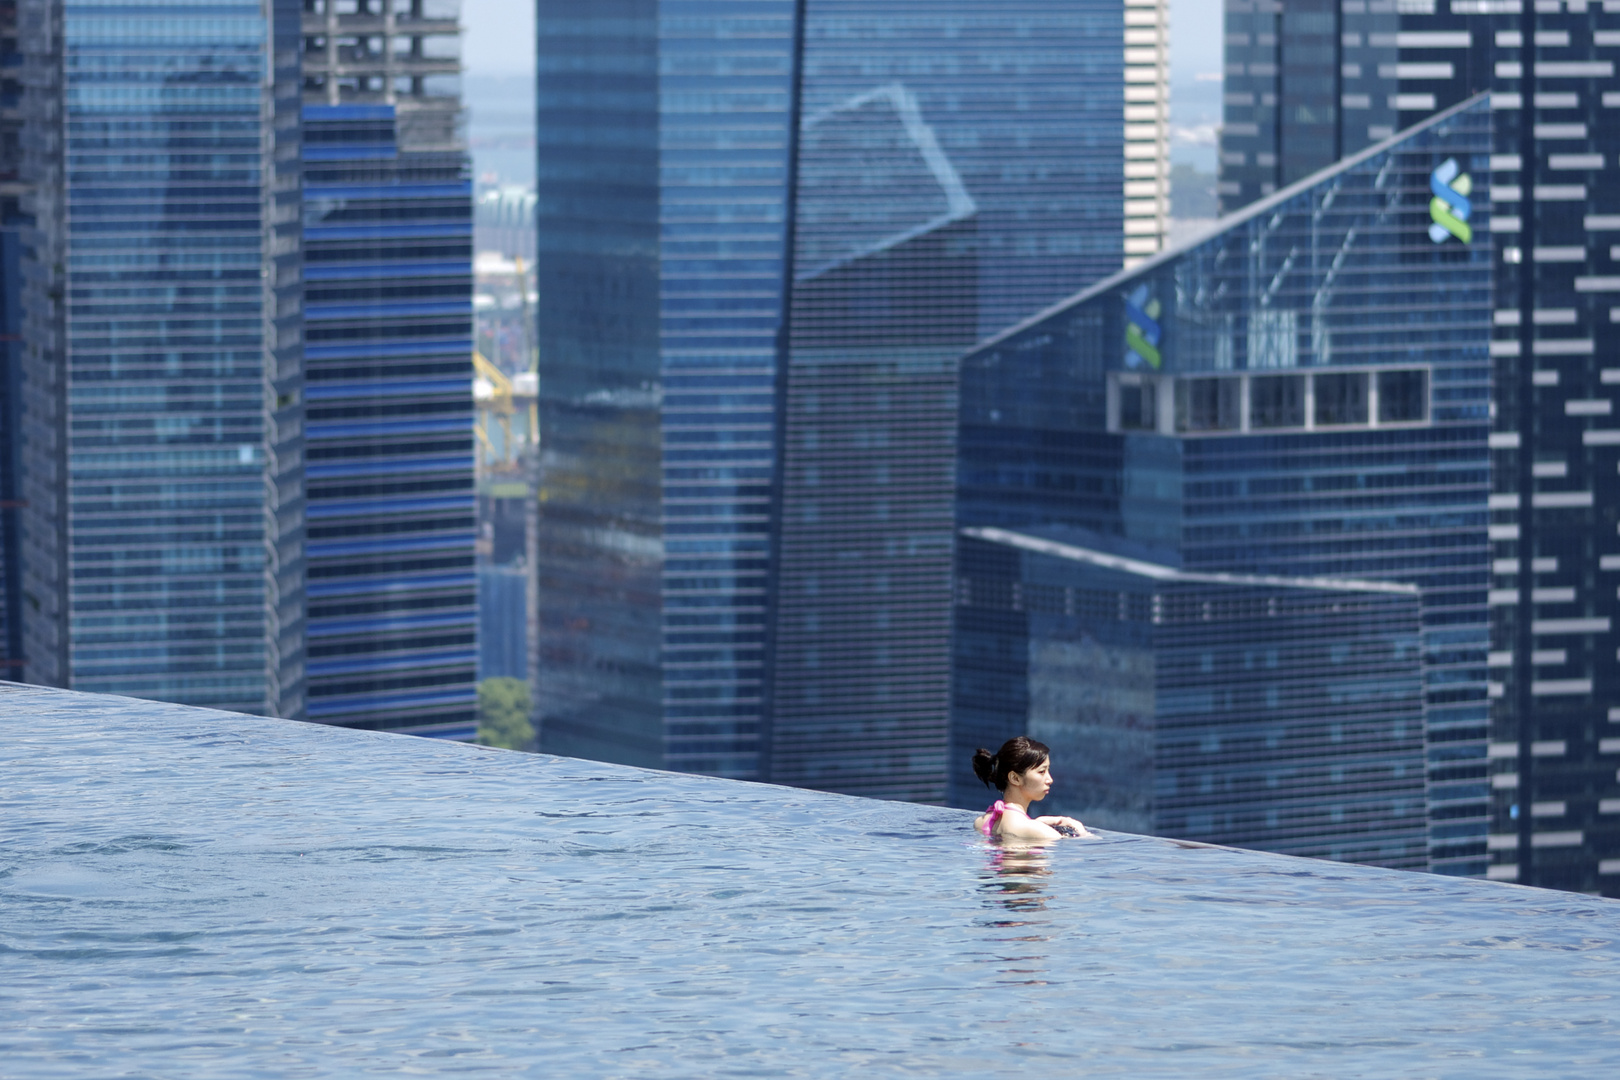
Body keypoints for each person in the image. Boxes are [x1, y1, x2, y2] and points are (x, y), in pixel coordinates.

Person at [971, 736, 1091, 841]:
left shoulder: (981, 822)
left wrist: (1036, 822)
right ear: (1015, 778)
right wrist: (1081, 831)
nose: (1050, 779)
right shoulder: (1042, 833)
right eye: (1042, 771)